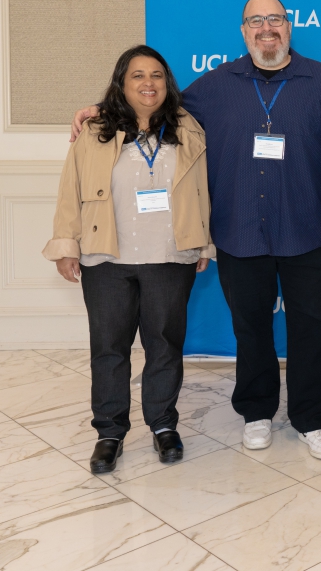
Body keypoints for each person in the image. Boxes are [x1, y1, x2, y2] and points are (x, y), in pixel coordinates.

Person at [69, 0, 321, 461]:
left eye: (274, 20)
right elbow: (154, 105)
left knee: (315, 328)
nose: (266, 29)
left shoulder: (320, 80)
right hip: (240, 230)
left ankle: (313, 419)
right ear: (243, 31)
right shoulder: (216, 84)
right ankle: (256, 413)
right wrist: (101, 108)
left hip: (308, 227)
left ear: (288, 26)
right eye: (255, 21)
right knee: (250, 328)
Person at [45, 45, 213, 473]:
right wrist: (66, 245)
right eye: (137, 75)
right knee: (109, 348)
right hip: (106, 259)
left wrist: (202, 242)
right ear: (122, 82)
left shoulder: (188, 129)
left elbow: (202, 192)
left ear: (167, 83)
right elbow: (70, 191)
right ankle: (109, 432)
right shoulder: (94, 131)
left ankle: (162, 425)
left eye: (156, 75)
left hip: (169, 255)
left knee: (164, 345)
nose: (148, 83)